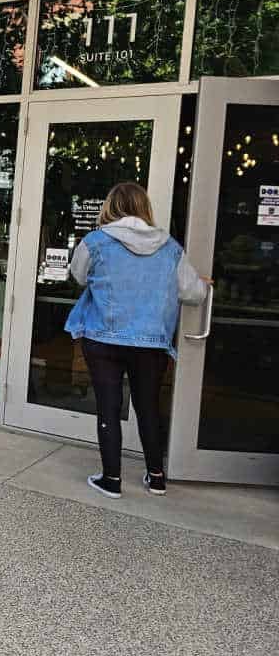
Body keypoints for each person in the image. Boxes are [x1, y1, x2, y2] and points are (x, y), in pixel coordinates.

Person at [65, 182, 210, 499]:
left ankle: (112, 480)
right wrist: (201, 282)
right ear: (145, 208)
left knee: (108, 406)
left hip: (102, 337)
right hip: (151, 343)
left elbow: (77, 275)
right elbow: (193, 293)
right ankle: (156, 477)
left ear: (110, 207)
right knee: (148, 407)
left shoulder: (96, 241)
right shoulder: (171, 248)